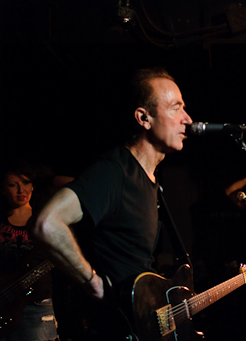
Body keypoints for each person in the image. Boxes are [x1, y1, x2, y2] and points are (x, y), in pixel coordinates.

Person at [31, 67, 193, 339]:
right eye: (176, 108)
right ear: (144, 118)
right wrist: (91, 280)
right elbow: (46, 223)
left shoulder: (150, 183)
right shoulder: (114, 171)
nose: (187, 119)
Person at [0, 161, 59, 341]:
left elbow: (72, 182)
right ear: (3, 189)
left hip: (37, 307)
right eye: (13, 185)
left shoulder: (44, 219)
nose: (21, 190)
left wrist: (45, 178)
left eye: (25, 183)